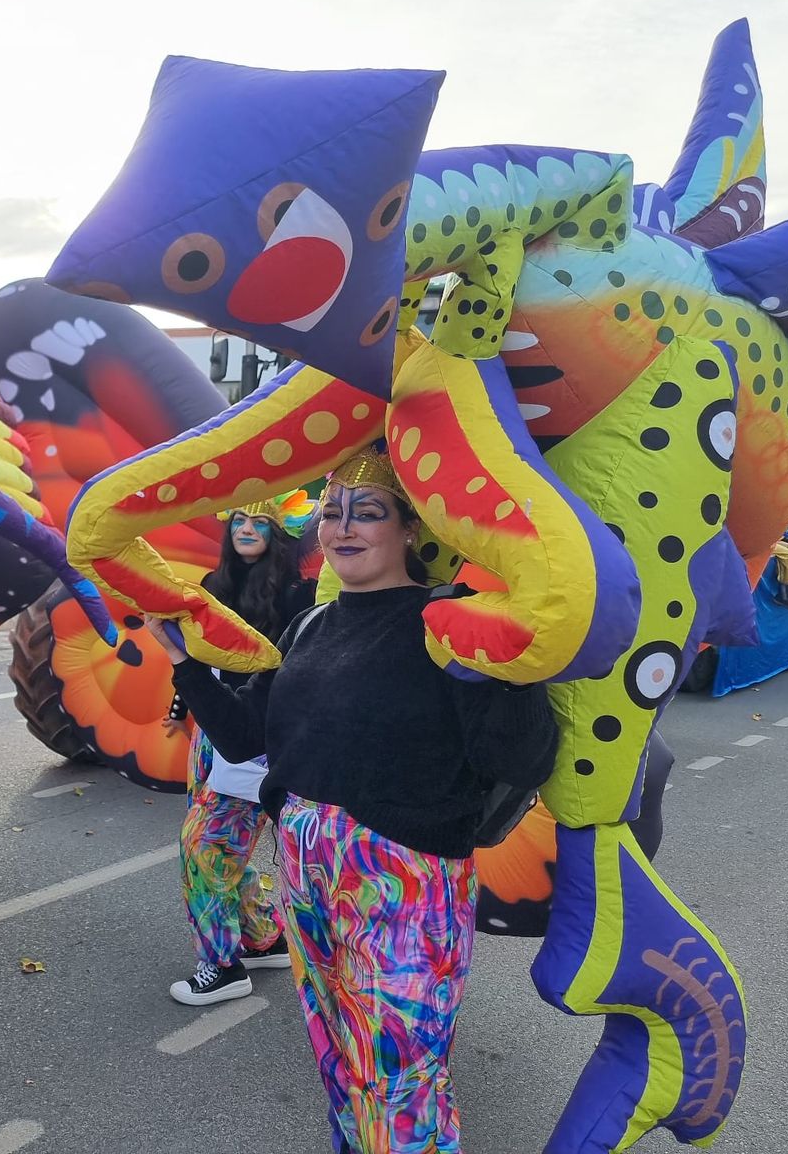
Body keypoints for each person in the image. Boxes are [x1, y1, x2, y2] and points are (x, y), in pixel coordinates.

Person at [146, 448, 558, 1153]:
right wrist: (186, 663)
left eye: (367, 513)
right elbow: (247, 737)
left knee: (399, 1083)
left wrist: (510, 668)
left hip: (404, 886)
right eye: (333, 513)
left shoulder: (447, 620)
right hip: (307, 880)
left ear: (409, 530)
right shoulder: (309, 626)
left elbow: (519, 758)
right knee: (340, 1064)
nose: (344, 527)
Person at [164, 490, 314, 1005]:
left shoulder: (298, 595)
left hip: (259, 739)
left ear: (279, 533)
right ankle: (260, 936)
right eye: (239, 521)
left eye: (260, 522)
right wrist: (182, 707)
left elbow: (291, 677)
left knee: (204, 849)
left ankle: (222, 966)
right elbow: (198, 659)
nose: (246, 529)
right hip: (211, 732)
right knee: (230, 853)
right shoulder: (212, 585)